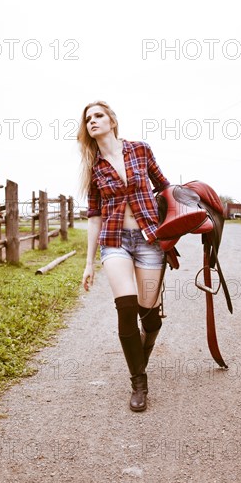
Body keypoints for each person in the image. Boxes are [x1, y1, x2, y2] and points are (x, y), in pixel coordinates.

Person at [78, 101, 170, 412]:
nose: (93, 121)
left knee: (149, 314)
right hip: (114, 241)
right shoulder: (94, 168)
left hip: (148, 239)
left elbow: (165, 188)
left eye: (98, 115)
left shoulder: (141, 150)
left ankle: (139, 354)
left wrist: (176, 223)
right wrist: (89, 263)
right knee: (127, 307)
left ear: (112, 121)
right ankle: (138, 382)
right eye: (88, 119)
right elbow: (94, 218)